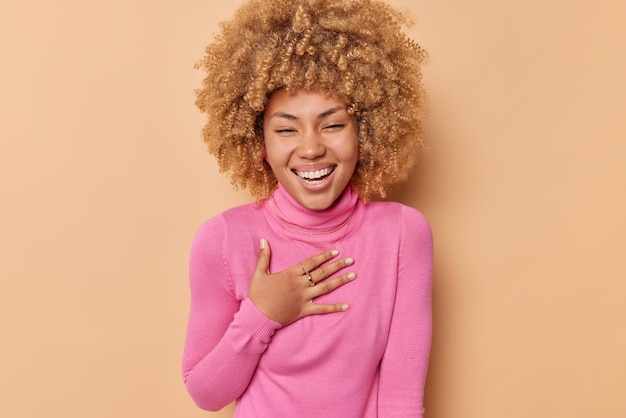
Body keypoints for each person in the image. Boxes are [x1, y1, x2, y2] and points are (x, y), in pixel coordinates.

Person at [182, 0, 433, 416]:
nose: (312, 147)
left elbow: (401, 399)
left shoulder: (404, 233)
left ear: (365, 131)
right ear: (259, 143)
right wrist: (262, 315)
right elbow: (206, 394)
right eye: (285, 129)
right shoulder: (223, 239)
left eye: (333, 124)